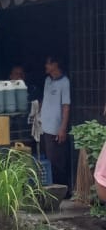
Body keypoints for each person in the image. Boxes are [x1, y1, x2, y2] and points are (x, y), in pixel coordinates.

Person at [40, 55, 71, 193]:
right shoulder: (48, 80)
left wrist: (62, 128)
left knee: (58, 162)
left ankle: (63, 191)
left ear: (55, 64)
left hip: (56, 129)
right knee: (48, 161)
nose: (46, 66)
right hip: (44, 127)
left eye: (48, 63)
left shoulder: (64, 82)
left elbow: (66, 106)